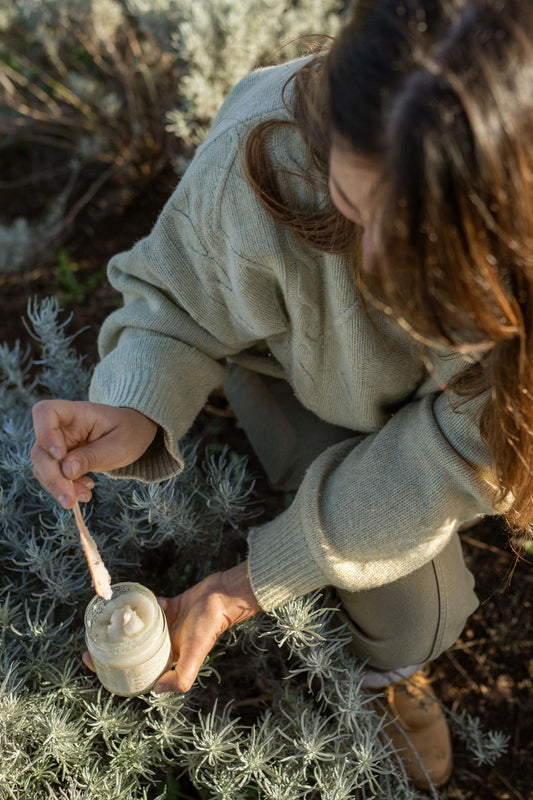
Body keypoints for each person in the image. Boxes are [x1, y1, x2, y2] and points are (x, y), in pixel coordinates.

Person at [30, 0, 533, 790]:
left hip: (467, 411)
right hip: (297, 378)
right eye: (349, 202)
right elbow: (177, 296)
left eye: (411, 239)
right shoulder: (271, 146)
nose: (368, 265)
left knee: (417, 621)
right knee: (415, 605)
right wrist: (135, 403)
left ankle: (385, 675)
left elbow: (452, 454)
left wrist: (241, 588)